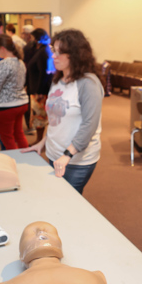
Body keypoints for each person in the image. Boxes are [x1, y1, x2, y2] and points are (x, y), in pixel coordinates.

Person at [22, 29, 103, 194]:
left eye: (59, 52)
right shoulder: (58, 79)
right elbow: (54, 120)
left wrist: (67, 155)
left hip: (76, 160)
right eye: (53, 51)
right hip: (54, 154)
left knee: (68, 203)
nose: (53, 56)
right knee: (56, 199)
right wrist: (42, 143)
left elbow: (89, 125)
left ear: (74, 55)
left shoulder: (88, 84)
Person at [0, 34, 29, 150]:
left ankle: (15, 162)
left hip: (6, 106)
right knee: (19, 134)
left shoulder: (4, 64)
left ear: (3, 49)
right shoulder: (20, 62)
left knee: (7, 138)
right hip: (21, 103)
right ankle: (27, 158)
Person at [25, 28, 54, 141]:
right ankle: (40, 140)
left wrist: (40, 91)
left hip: (40, 92)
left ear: (37, 39)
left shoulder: (43, 51)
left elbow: (45, 73)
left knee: (40, 118)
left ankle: (40, 141)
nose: (29, 39)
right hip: (37, 90)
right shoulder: (40, 50)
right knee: (39, 117)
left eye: (31, 37)